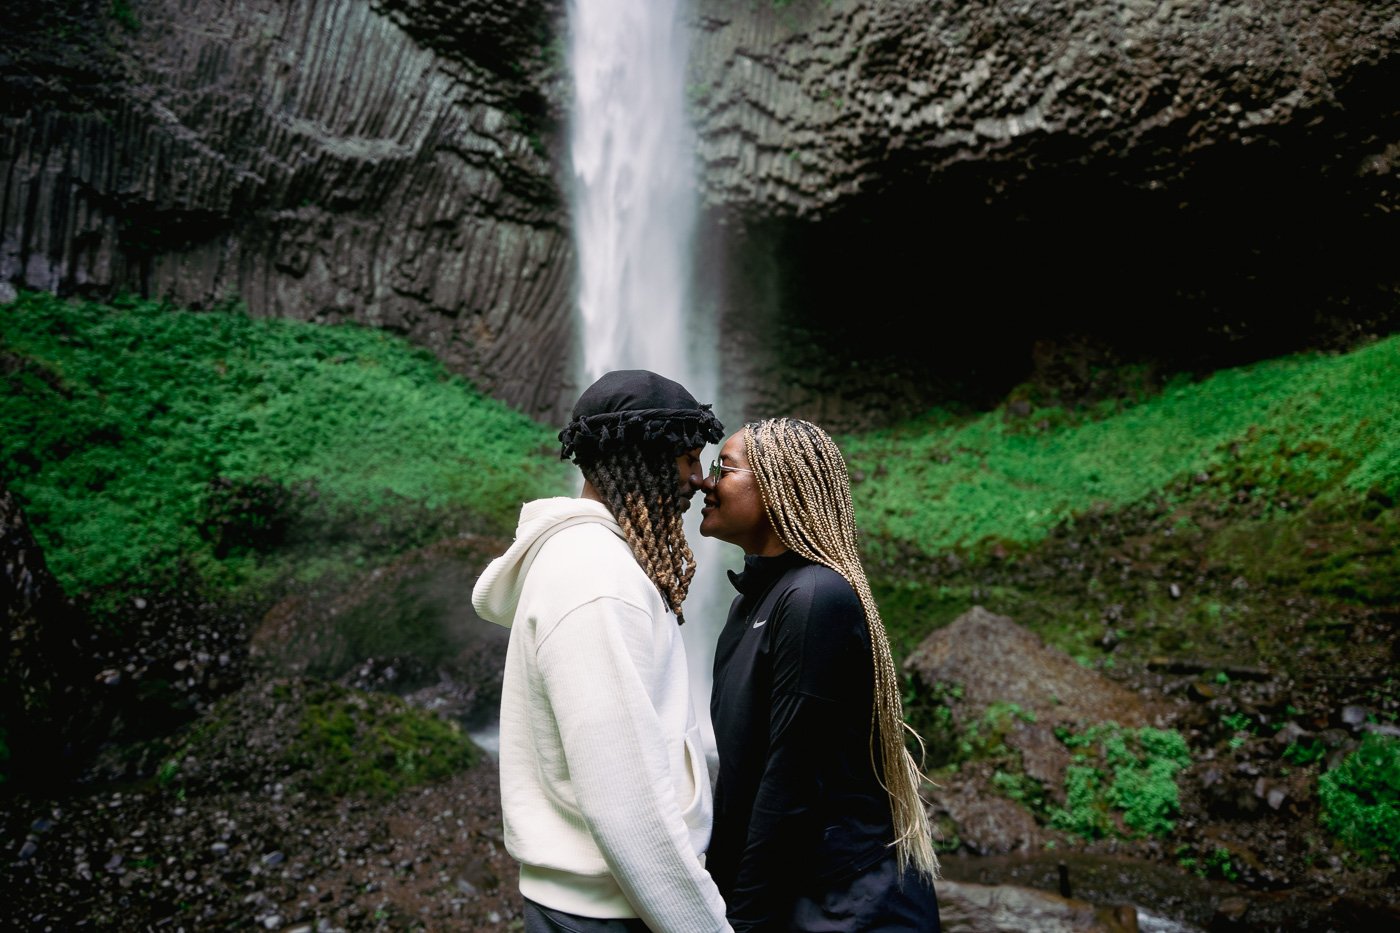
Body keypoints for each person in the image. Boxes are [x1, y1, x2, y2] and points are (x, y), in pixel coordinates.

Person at [471, 369, 734, 933]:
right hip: (609, 912)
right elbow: (624, 801)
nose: (699, 478)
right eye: (688, 458)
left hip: (604, 903)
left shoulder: (597, 561)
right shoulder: (596, 578)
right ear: (641, 459)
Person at [698, 416, 941, 932]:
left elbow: (791, 784)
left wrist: (739, 921)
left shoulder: (814, 599)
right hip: (798, 894)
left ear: (778, 486)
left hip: (848, 908)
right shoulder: (755, 601)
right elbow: (747, 776)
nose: (705, 481)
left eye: (723, 468)